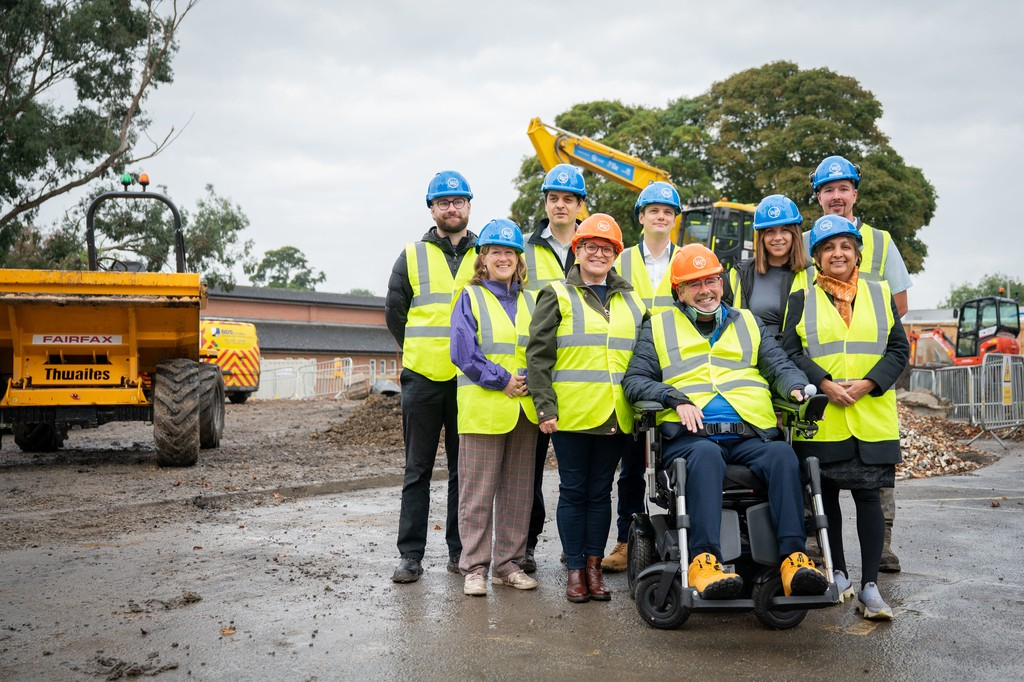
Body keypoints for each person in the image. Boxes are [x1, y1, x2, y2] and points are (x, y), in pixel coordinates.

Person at [621, 243, 829, 600]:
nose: (706, 291)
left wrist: (795, 387)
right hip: (691, 436)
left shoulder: (748, 323)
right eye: (694, 284)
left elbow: (777, 364)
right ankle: (704, 561)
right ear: (679, 291)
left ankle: (794, 559)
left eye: (712, 281)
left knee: (783, 457)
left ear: (722, 283)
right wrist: (674, 397)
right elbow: (634, 381)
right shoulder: (657, 328)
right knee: (705, 456)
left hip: (749, 434)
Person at [781, 216, 909, 620]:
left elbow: (898, 350)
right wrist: (824, 383)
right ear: (817, 257)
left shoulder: (879, 291)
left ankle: (870, 587)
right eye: (828, 248)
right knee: (828, 499)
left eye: (845, 247)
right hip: (824, 418)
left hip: (871, 418)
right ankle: (838, 574)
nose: (838, 254)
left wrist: (870, 383)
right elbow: (790, 351)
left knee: (869, 498)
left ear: (856, 253)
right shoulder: (802, 297)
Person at [526, 213, 646, 603]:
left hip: (616, 414)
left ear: (616, 254)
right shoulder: (557, 294)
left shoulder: (632, 300)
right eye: (590, 246)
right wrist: (545, 408)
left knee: (601, 493)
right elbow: (538, 356)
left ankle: (595, 568)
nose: (598, 253)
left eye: (606, 248)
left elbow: (645, 356)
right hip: (572, 415)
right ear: (577, 250)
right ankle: (575, 570)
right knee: (574, 491)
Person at [810, 154, 910, 572]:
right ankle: (825, 553)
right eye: (828, 189)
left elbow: (898, 307)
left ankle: (881, 546)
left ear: (855, 192)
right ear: (818, 197)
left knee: (875, 480)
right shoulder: (809, 239)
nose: (836, 196)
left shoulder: (882, 242)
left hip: (871, 377)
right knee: (823, 483)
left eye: (843, 188)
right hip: (824, 382)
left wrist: (868, 362)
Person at [385, 170, 477, 583]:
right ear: (432, 208)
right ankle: (411, 556)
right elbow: (395, 314)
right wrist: (421, 349)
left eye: (458, 201)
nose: (451, 208)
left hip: (470, 380)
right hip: (422, 378)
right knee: (417, 469)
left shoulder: (485, 253)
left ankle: (459, 552)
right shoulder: (412, 255)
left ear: (469, 206)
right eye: (444, 202)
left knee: (464, 471)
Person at [450, 219, 540, 596]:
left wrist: (529, 379)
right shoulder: (469, 298)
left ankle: (508, 565)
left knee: (519, 494)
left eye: (510, 252)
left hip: (524, 409)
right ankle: (474, 567)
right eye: (495, 252)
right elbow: (463, 351)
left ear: (519, 260)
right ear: (482, 259)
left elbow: (544, 352)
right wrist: (501, 378)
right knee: (477, 494)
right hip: (484, 407)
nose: (503, 258)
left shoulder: (533, 301)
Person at [602, 181, 681, 572]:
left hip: (677, 368)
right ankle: (624, 541)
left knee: (677, 457)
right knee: (631, 465)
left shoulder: (688, 258)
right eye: (654, 210)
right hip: (630, 368)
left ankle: (684, 536)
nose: (661, 216)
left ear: (674, 219)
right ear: (641, 217)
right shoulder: (621, 259)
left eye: (668, 211)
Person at [520, 163, 587, 574]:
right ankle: (526, 545)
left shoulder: (596, 247)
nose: (560, 205)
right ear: (545, 203)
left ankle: (573, 548)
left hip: (581, 375)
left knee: (577, 476)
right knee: (529, 469)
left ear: (580, 206)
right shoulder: (525, 251)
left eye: (568, 199)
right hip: (539, 373)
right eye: (553, 198)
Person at [723, 194, 810, 337]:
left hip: (795, 358)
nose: (777, 237)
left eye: (784, 230)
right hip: (752, 358)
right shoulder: (740, 274)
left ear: (794, 233)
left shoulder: (811, 274)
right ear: (761, 237)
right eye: (770, 231)